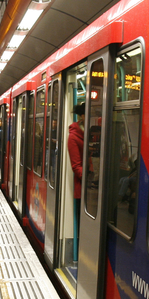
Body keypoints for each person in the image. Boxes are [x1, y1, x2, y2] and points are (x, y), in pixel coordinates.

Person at [67, 103, 85, 263]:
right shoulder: (73, 137)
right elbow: (76, 166)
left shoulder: (90, 133)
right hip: (83, 188)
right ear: (82, 116)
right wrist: (90, 179)